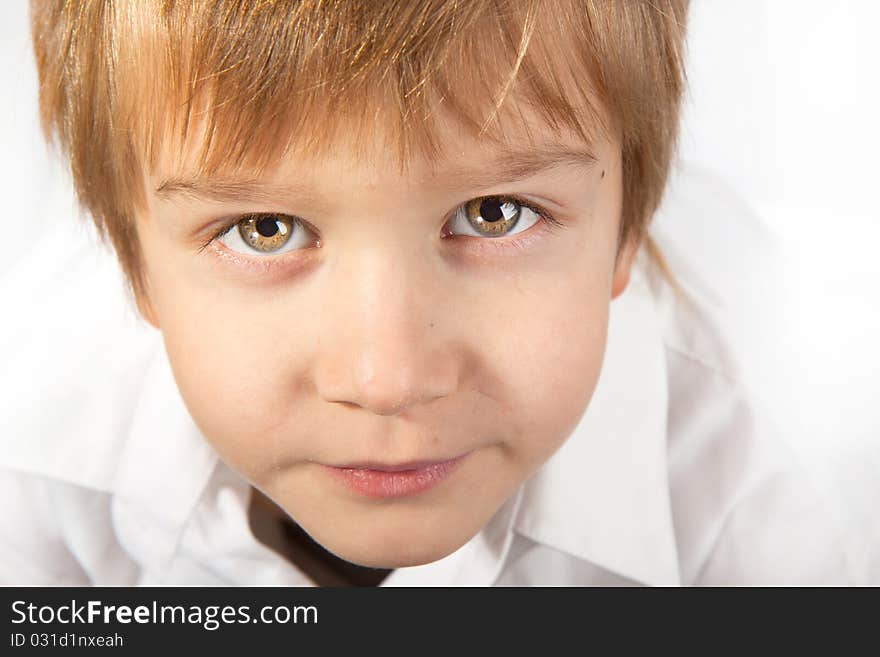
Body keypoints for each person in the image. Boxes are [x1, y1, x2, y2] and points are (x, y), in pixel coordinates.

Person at [0, 0, 854, 585]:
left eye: (494, 213)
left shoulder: (798, 497)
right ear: (133, 263)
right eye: (264, 228)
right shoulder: (38, 440)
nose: (388, 377)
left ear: (629, 226)